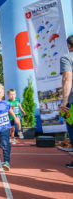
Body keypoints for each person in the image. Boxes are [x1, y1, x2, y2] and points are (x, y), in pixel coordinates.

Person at [60, 35, 73, 168]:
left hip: (71, 100)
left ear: (69, 46)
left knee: (72, 127)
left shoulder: (67, 58)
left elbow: (67, 78)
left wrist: (64, 101)